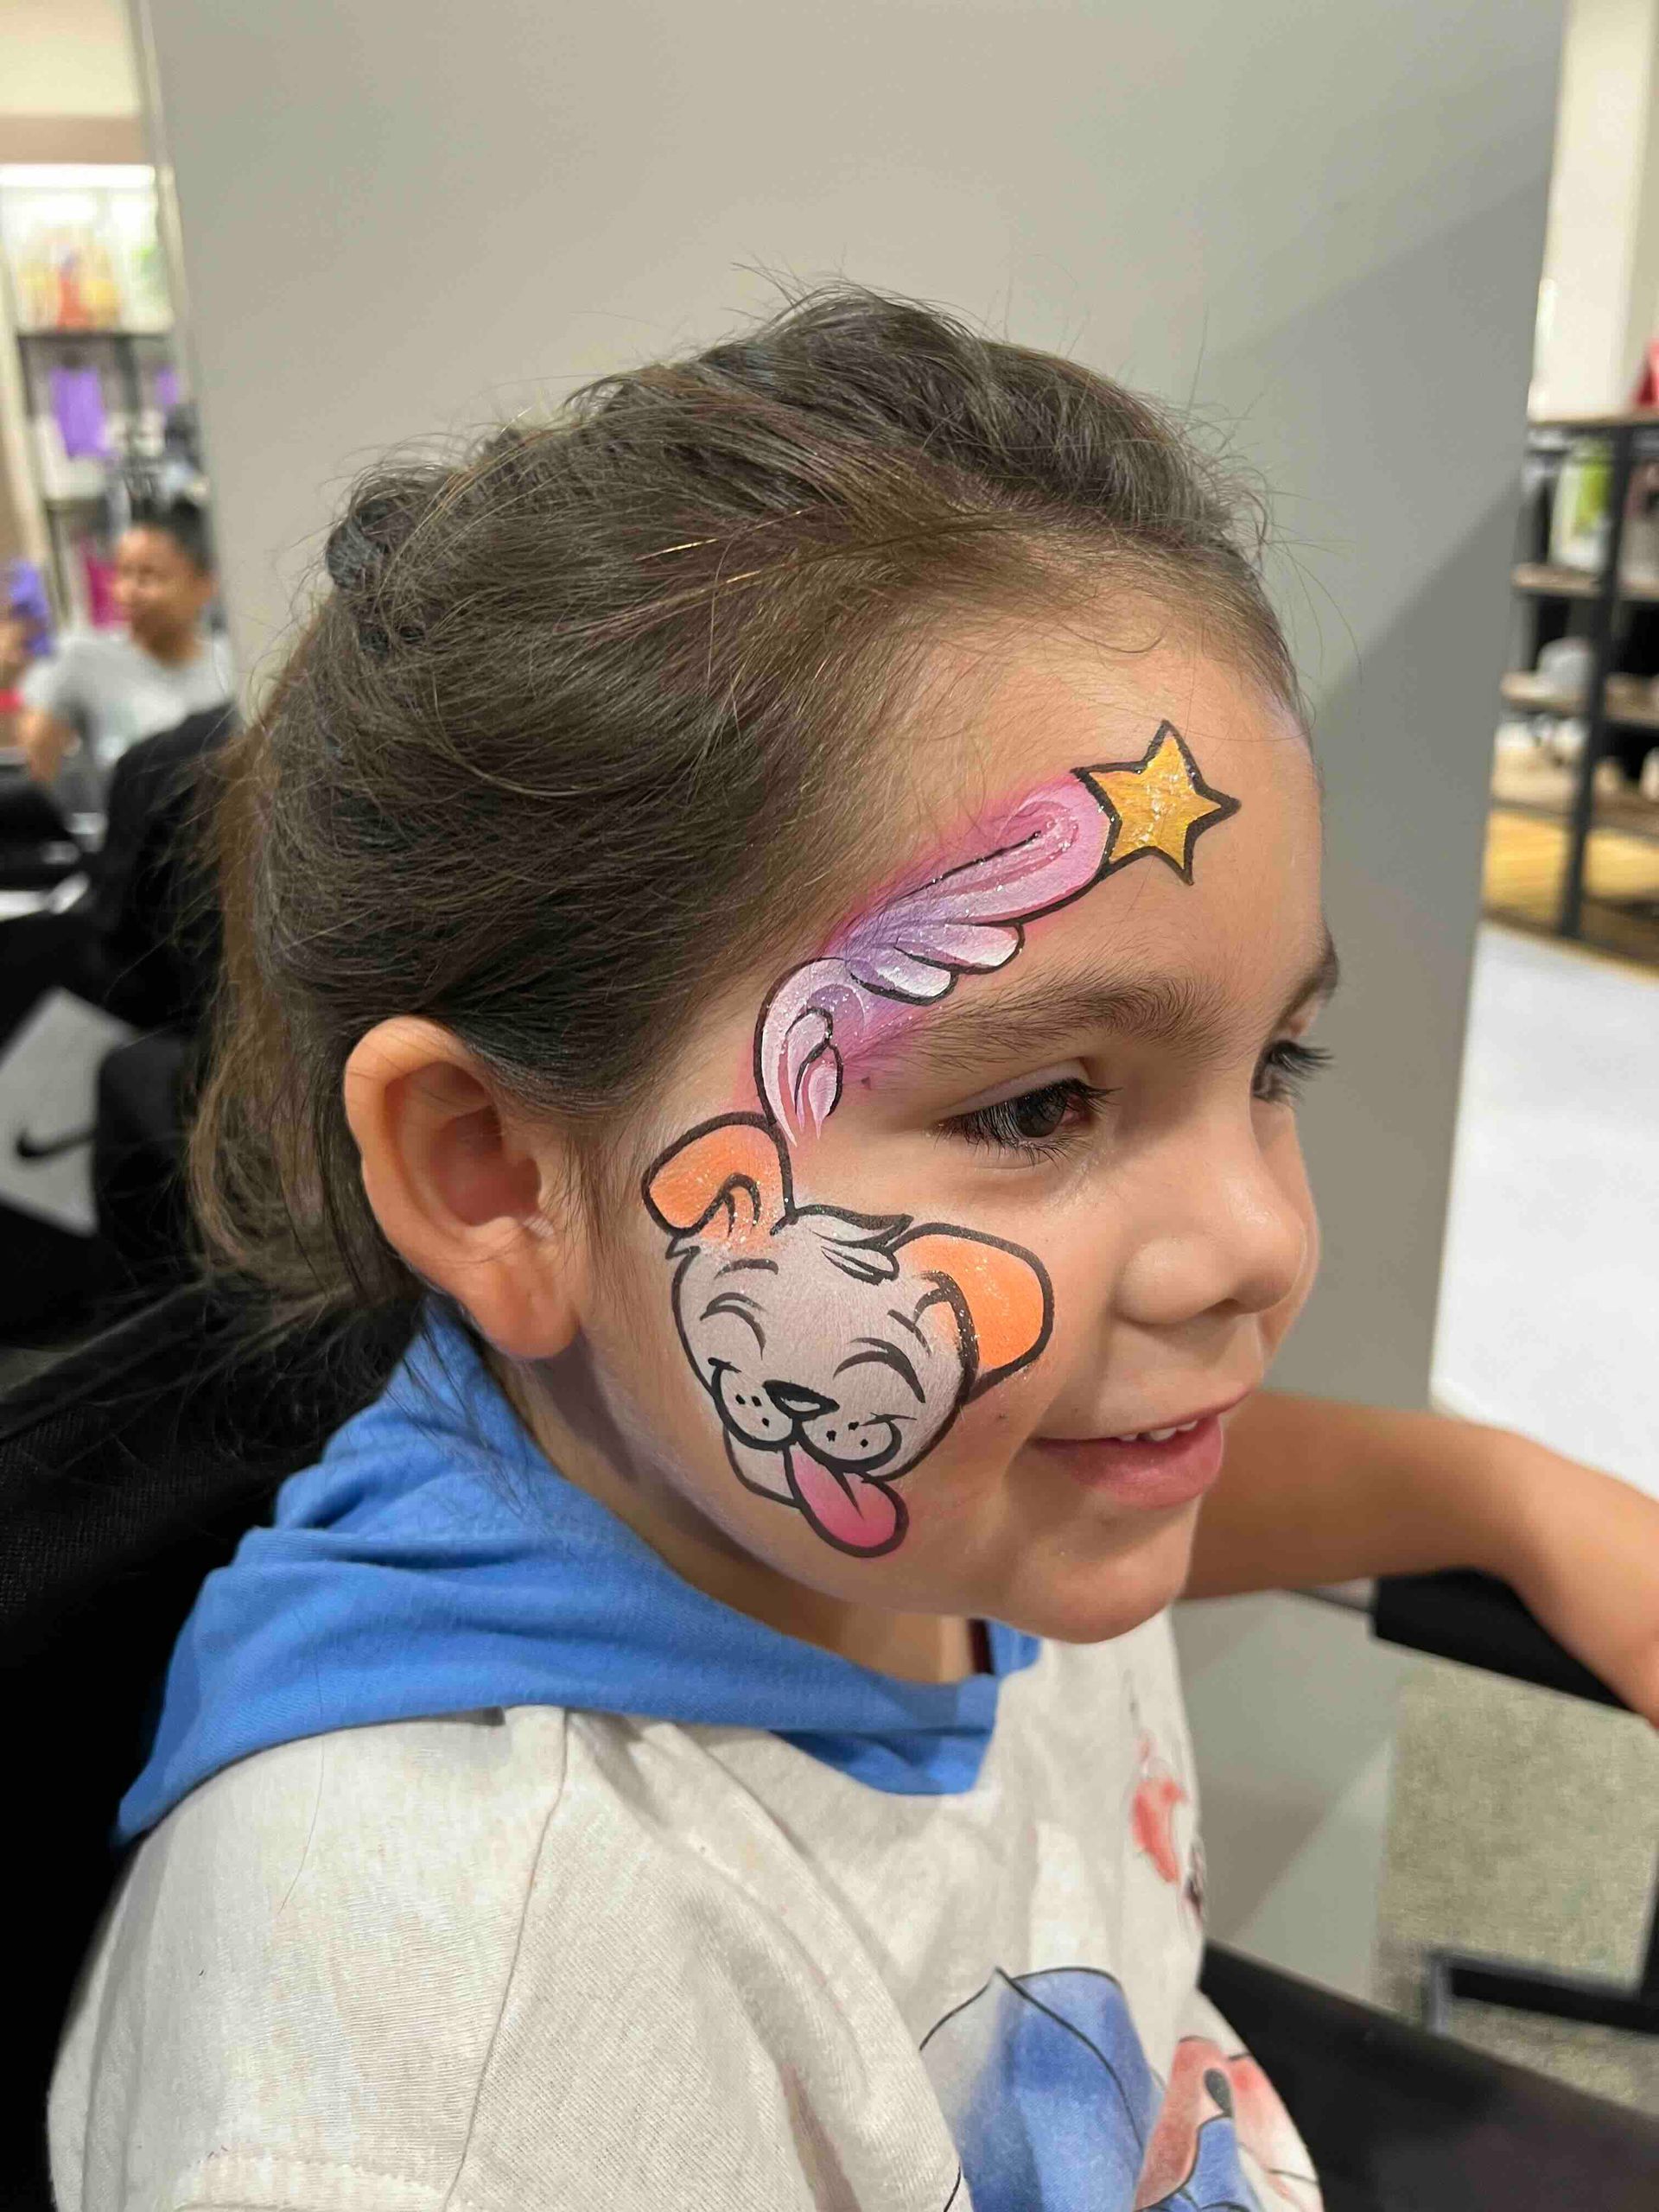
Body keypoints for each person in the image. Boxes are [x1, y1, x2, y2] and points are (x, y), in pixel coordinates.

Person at [48, 291, 1659, 2212]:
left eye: (1272, 1061)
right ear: (498, 1175)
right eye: (1040, 1102)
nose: (1260, 1238)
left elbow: (1149, 1515)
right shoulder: (441, 2077)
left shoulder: (880, 1489)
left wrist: (1498, 1490)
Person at [15, 500, 232, 829]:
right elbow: (37, 770)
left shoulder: (230, 661)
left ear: (204, 584)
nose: (126, 592)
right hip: (130, 860)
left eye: (148, 576)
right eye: (122, 574)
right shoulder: (82, 658)